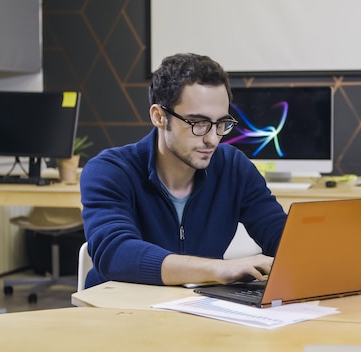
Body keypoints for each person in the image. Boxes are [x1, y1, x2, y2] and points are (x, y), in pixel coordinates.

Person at [80, 53, 288, 288]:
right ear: (159, 117)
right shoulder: (110, 171)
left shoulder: (234, 168)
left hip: (198, 311)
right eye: (197, 123)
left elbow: (281, 237)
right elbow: (115, 254)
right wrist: (219, 268)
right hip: (118, 311)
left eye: (221, 124)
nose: (212, 139)